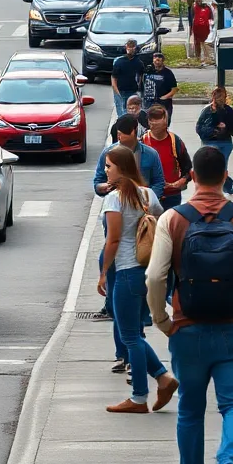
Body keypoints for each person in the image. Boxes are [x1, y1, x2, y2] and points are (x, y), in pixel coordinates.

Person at [144, 146, 233, 464]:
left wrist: (163, 322)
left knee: (190, 410)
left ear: (191, 178)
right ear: (225, 177)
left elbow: (155, 276)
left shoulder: (173, 220)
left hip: (187, 330)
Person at [98, 145, 179, 414]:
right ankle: (163, 378)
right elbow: (160, 222)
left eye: (109, 166)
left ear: (121, 168)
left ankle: (139, 397)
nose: (106, 170)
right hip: (149, 270)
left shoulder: (114, 199)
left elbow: (113, 239)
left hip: (126, 271)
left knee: (129, 335)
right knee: (135, 333)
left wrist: (102, 274)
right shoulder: (147, 194)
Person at [93, 114, 167, 324]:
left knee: (130, 331)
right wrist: (104, 188)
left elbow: (159, 184)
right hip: (119, 230)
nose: (118, 137)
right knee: (114, 279)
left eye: (122, 134)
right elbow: (96, 183)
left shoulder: (150, 155)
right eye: (116, 134)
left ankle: (141, 314)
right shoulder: (110, 154)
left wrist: (143, 202)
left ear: (134, 132)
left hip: (138, 240)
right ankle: (111, 307)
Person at [196, 86, 233, 194]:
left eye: (222, 96)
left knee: (222, 167)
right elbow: (199, 127)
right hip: (210, 142)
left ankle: (225, 187)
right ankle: (222, 186)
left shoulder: (229, 110)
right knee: (212, 168)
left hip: (225, 142)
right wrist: (213, 130)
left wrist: (226, 127)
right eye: (218, 96)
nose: (220, 99)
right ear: (213, 97)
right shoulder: (207, 110)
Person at [110, 40, 146, 117]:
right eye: (129, 47)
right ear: (126, 48)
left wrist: (138, 87)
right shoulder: (119, 62)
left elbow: (141, 76)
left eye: (133, 47)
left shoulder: (138, 63)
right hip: (120, 91)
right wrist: (117, 91)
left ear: (136, 48)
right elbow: (114, 78)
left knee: (132, 112)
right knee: (122, 112)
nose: (131, 49)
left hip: (132, 91)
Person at [142, 51, 178, 121]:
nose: (157, 61)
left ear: (162, 61)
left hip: (162, 103)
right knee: (148, 123)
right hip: (148, 102)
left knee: (163, 122)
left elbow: (175, 89)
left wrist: (165, 97)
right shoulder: (148, 70)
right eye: (155, 59)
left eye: (159, 60)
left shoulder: (168, 73)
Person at [190, 0, 213, 65]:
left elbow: (210, 17)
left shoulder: (207, 7)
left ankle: (206, 57)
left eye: (200, 0)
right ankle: (198, 57)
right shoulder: (193, 7)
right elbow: (191, 17)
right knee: (197, 42)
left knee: (205, 42)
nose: (198, 1)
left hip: (205, 27)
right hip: (196, 27)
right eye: (197, 0)